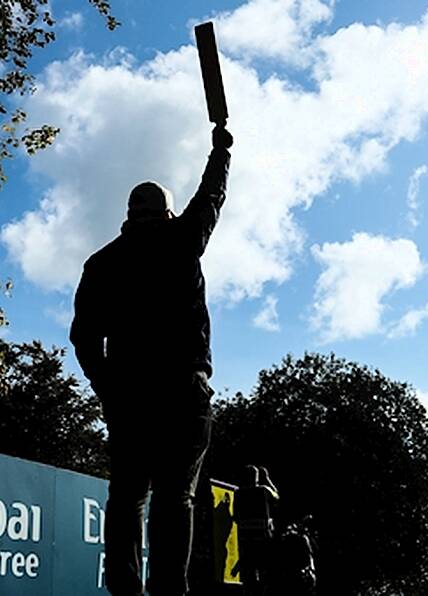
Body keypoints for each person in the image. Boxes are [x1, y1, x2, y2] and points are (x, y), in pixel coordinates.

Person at [70, 123, 233, 596]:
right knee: (174, 499)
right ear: (167, 211)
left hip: (131, 397)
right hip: (184, 391)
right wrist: (221, 150)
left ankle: (124, 591)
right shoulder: (184, 239)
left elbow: (84, 339)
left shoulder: (101, 264)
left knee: (126, 500)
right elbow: (212, 196)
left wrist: (108, 389)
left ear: (127, 215)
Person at [233, 465, 279, 596]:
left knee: (249, 571)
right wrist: (268, 479)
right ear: (257, 478)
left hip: (245, 538)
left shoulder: (238, 493)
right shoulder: (263, 490)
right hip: (263, 536)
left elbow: (235, 516)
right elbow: (277, 496)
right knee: (265, 569)